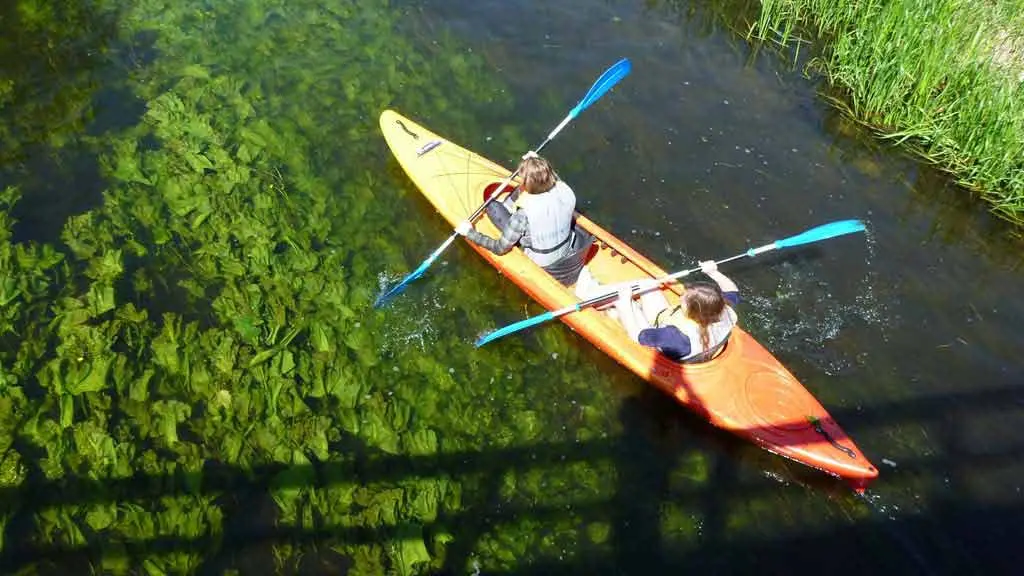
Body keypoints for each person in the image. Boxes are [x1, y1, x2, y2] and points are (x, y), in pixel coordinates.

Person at [455, 152, 591, 285]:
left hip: (544, 263)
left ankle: (503, 206)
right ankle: (509, 204)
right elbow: (556, 179)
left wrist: (470, 233)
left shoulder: (523, 215)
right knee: (518, 195)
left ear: (527, 184)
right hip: (567, 250)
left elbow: (500, 248)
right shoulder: (566, 191)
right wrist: (537, 162)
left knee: (492, 205)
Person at [614, 260, 739, 363]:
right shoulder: (722, 309)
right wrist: (713, 272)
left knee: (621, 306)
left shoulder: (675, 336)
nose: (680, 297)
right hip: (669, 327)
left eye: (684, 299)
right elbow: (732, 291)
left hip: (660, 343)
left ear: (693, 311)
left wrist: (625, 302)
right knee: (646, 284)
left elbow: (637, 336)